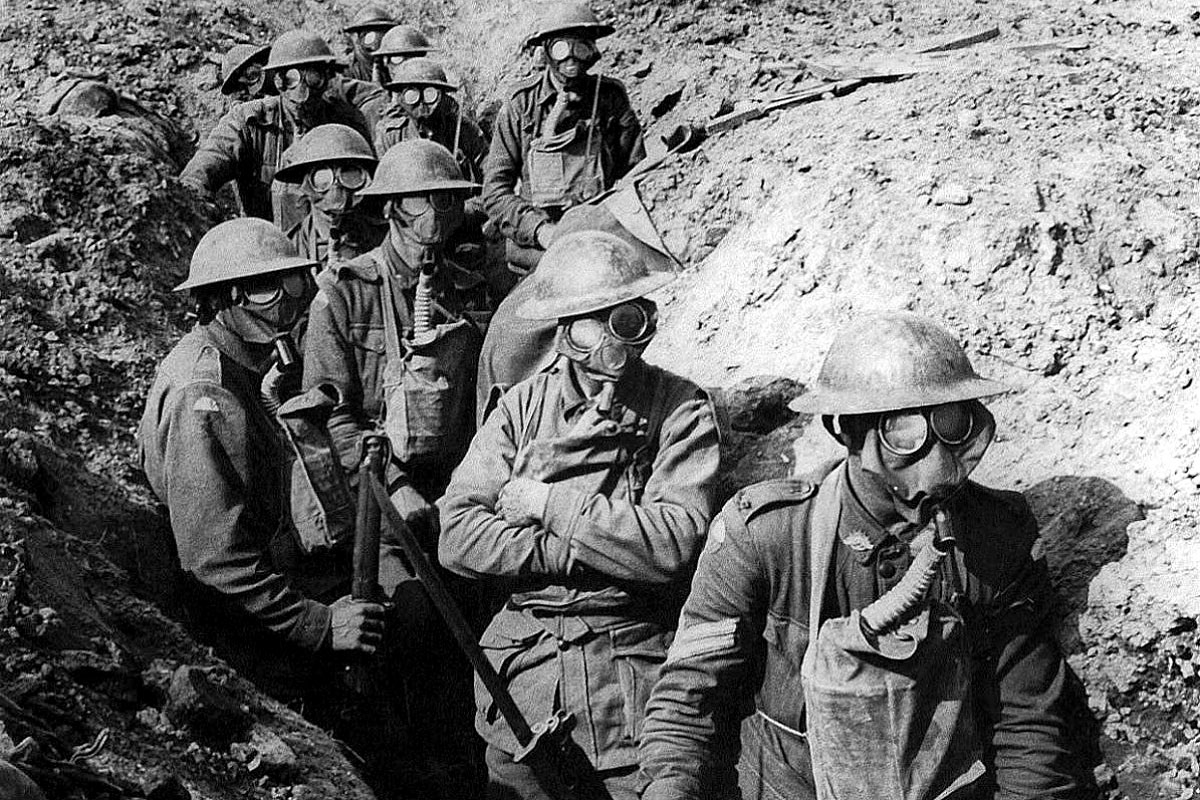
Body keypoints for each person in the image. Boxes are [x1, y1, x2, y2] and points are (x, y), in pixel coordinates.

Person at [638, 312, 1101, 800]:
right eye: (903, 431)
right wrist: (671, 786)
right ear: (846, 429)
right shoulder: (769, 533)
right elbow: (689, 695)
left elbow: (1027, 722)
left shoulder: (992, 537)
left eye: (951, 423)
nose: (935, 458)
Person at [438, 230, 721, 800]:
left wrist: (547, 505)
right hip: (527, 685)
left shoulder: (679, 410)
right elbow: (458, 535)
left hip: (631, 687)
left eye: (628, 318)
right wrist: (583, 549)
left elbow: (671, 542)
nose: (615, 340)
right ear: (565, 332)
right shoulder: (521, 408)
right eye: (595, 323)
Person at [137, 218, 383, 688]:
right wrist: (319, 625)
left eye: (292, 281)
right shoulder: (206, 394)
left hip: (273, 577)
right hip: (238, 620)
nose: (287, 300)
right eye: (264, 289)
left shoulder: (248, 362)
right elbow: (215, 561)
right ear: (222, 299)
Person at [482, 2, 645, 276]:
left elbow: (635, 172)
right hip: (540, 245)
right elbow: (495, 190)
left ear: (592, 51)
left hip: (599, 236)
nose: (571, 58)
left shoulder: (610, 98)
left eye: (580, 47)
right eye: (561, 48)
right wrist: (540, 229)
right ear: (546, 51)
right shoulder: (522, 104)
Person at [180, 30, 372, 229]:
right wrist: (199, 206)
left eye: (313, 77)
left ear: (326, 78)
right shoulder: (248, 122)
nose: (303, 91)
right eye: (290, 78)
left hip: (335, 235)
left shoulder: (347, 121)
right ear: (277, 81)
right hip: (267, 238)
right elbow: (204, 168)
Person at [275, 123, 386, 266]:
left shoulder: (384, 239)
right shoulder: (291, 247)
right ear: (306, 183)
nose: (336, 188)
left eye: (349, 174)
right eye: (322, 178)